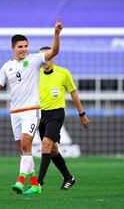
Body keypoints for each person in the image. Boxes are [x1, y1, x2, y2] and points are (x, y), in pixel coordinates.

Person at [0, 18, 63, 195]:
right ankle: (35, 184)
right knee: (23, 149)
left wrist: (56, 34)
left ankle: (20, 181)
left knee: (27, 143)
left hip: (31, 111)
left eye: (26, 46)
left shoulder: (34, 60)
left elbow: (54, 50)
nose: (24, 49)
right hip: (15, 112)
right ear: (13, 48)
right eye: (20, 46)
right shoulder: (7, 66)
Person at [37, 46, 90, 190]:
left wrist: (82, 114)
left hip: (56, 114)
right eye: (42, 57)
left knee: (46, 144)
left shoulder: (63, 73)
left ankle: (38, 182)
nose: (45, 60)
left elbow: (74, 94)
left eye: (47, 56)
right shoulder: (35, 74)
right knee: (53, 149)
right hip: (40, 115)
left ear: (53, 56)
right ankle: (68, 177)